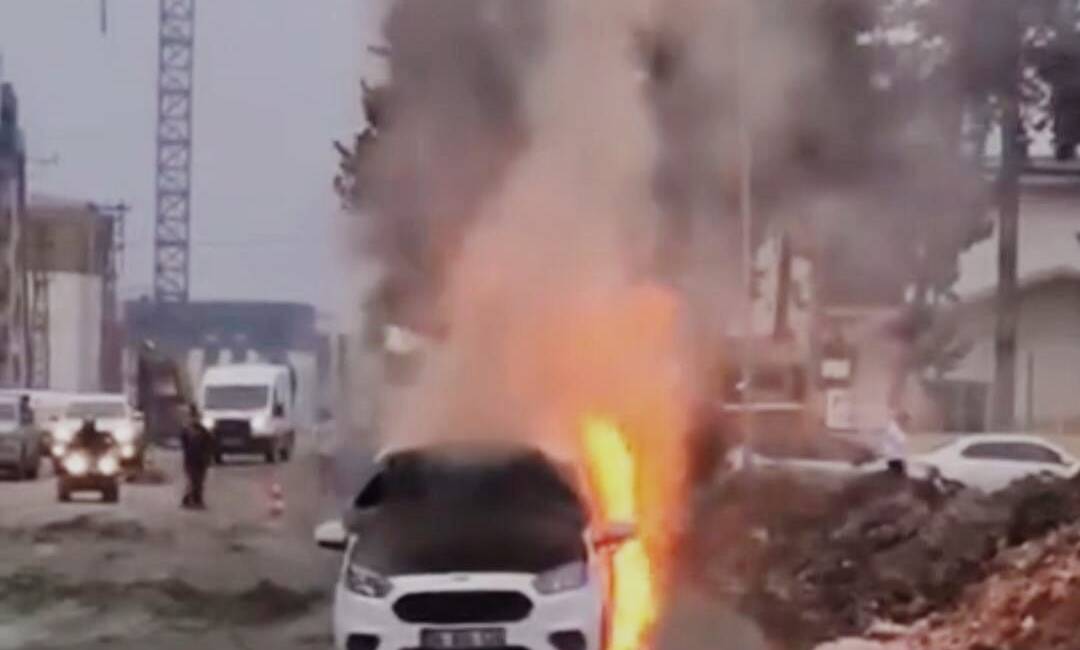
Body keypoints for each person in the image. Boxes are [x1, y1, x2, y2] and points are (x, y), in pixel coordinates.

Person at [180, 404, 214, 509]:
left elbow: (209, 445)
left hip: (200, 460)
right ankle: (190, 500)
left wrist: (208, 457)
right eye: (192, 418)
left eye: (195, 418)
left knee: (198, 481)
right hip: (191, 460)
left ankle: (196, 500)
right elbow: (184, 444)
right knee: (192, 481)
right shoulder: (186, 431)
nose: (194, 420)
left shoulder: (203, 431)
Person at [881, 410, 910, 475]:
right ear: (901, 419)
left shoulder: (896, 428)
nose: (906, 423)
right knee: (898, 478)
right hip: (895, 459)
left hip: (896, 458)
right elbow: (901, 442)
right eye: (905, 421)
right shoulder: (893, 429)